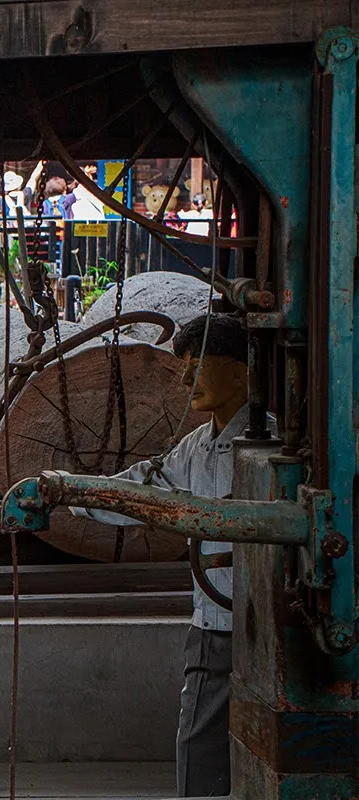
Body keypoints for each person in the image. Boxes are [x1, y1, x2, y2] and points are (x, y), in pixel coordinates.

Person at [69, 314, 258, 797]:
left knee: (226, 748)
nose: (184, 378)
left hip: (261, 623)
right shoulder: (197, 447)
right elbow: (143, 491)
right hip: (215, 622)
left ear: (241, 372)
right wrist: (67, 493)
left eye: (198, 365)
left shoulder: (271, 445)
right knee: (200, 749)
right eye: (183, 366)